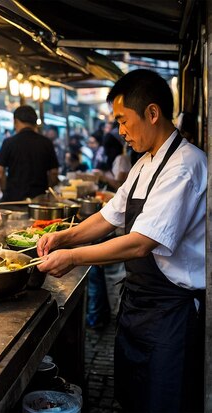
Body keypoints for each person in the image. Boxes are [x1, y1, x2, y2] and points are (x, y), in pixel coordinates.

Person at [37, 69, 206, 412]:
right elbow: (108, 216)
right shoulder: (145, 163)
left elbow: (140, 243)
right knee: (133, 399)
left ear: (152, 113)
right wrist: (62, 237)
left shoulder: (185, 166)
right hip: (139, 307)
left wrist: (73, 257)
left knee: (164, 403)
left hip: (171, 312)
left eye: (123, 120)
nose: (120, 131)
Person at [0, 106, 59, 201]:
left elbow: (0, 172)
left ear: (16, 121)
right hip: (39, 199)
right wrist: (47, 187)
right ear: (35, 123)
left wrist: (5, 190)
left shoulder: (8, 142)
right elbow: (54, 173)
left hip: (14, 198)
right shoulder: (46, 143)